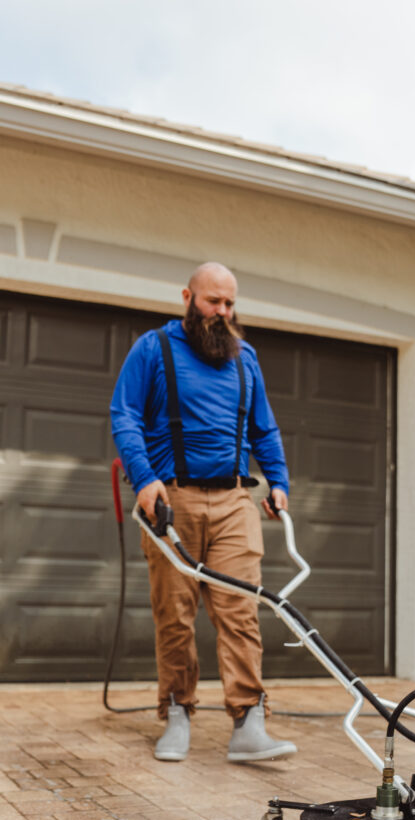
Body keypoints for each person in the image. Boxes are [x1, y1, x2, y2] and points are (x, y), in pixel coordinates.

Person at [110, 262, 297, 763]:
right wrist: (144, 478)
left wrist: (277, 480)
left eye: (230, 303)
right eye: (213, 301)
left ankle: (249, 723)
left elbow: (265, 429)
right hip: (173, 498)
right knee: (175, 615)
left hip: (236, 500)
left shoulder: (245, 358)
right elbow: (123, 413)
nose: (222, 312)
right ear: (188, 297)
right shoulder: (154, 348)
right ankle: (177, 713)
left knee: (240, 612)